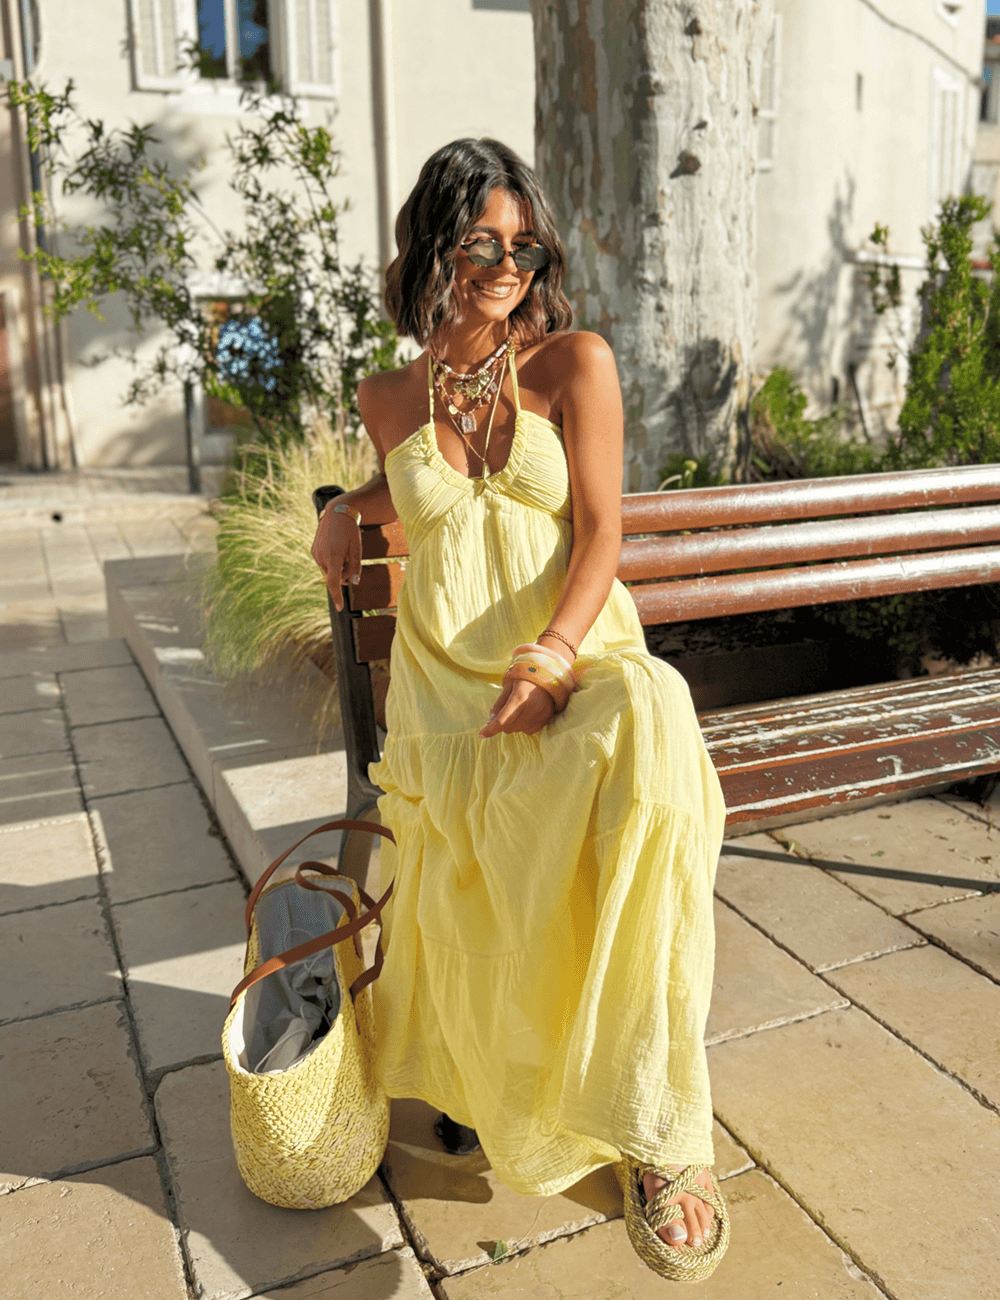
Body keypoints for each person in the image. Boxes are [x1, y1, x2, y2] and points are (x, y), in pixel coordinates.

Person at [311, 138, 728, 1282]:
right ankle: (514, 1081)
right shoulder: (387, 395)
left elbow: (601, 531)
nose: (507, 264)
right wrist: (349, 507)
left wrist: (550, 656)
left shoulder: (571, 364)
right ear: (432, 246)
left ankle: (662, 1128)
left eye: (523, 245)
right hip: (450, 695)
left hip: (572, 662)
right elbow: (421, 492)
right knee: (495, 827)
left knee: (654, 723)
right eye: (482, 242)